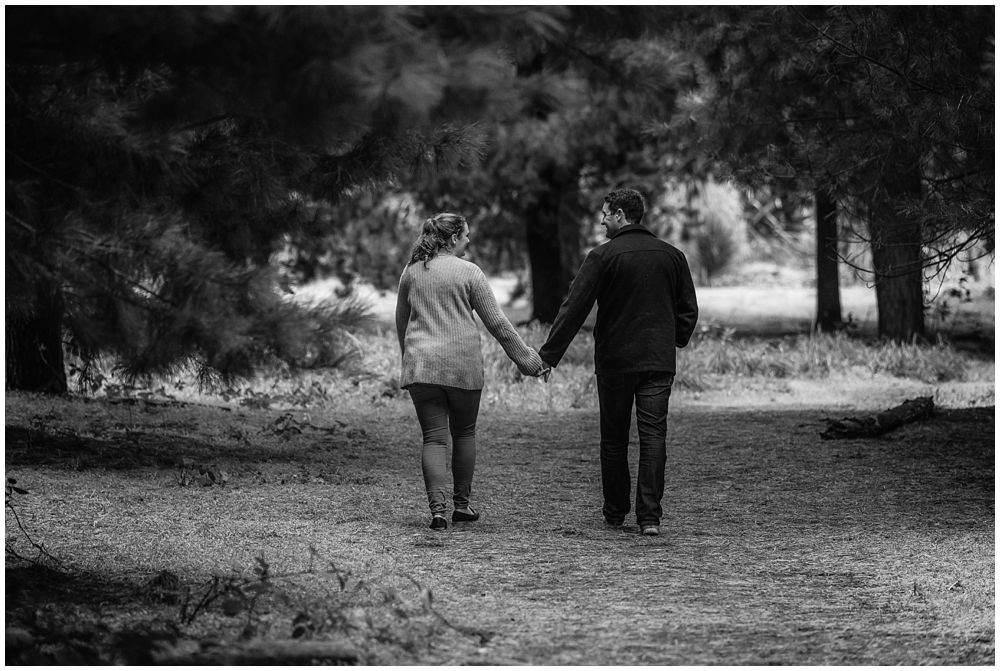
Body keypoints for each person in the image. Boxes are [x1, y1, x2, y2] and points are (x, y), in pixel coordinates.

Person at [539, 187, 698, 537]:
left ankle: (614, 512)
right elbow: (688, 308)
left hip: (615, 361)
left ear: (621, 216)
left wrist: (547, 356)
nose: (601, 220)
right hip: (658, 360)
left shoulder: (602, 257)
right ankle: (649, 518)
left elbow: (574, 307)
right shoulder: (672, 256)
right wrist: (675, 339)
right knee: (653, 435)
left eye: (606, 214)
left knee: (613, 438)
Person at [396, 212, 548, 530]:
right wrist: (529, 362)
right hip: (462, 368)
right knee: (464, 433)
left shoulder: (411, 272)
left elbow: (402, 321)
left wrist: (408, 360)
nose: (469, 241)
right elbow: (499, 325)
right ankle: (461, 506)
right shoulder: (470, 273)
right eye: (466, 236)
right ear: (453, 239)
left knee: (433, 439)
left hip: (422, 368)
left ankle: (437, 512)